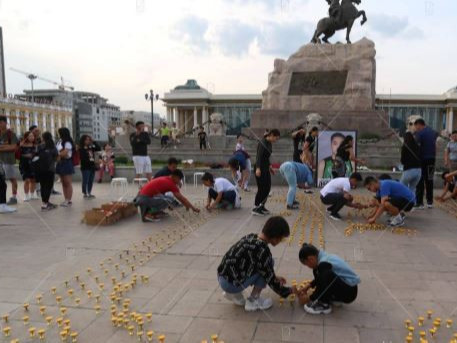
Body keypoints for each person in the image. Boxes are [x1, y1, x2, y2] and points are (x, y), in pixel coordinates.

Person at [217, 216, 297, 311]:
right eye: (281, 239)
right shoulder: (262, 250)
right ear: (275, 236)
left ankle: (233, 294)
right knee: (269, 263)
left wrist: (274, 276)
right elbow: (270, 280)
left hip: (222, 277)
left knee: (265, 265)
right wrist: (289, 291)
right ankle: (253, 301)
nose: (280, 242)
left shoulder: (251, 236)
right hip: (230, 284)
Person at [297, 243, 360, 315]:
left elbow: (325, 278)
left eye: (306, 264)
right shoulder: (323, 257)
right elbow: (321, 277)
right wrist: (309, 285)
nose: (308, 267)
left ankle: (323, 304)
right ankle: (335, 297)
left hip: (349, 292)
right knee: (318, 270)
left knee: (323, 273)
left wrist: (309, 298)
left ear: (311, 259)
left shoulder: (323, 264)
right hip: (347, 287)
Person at [133, 170, 200, 222]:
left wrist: (186, 205)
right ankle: (148, 214)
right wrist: (193, 208)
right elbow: (182, 198)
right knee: (168, 201)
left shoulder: (167, 178)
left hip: (140, 197)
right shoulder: (171, 184)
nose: (179, 181)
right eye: (179, 179)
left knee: (169, 198)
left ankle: (155, 212)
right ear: (176, 177)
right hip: (144, 199)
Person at [252, 129, 280, 216]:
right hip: (259, 168)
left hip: (265, 168)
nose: (276, 140)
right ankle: (256, 207)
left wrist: (270, 167)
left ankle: (262, 206)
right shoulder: (263, 142)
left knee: (267, 188)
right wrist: (258, 168)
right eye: (276, 138)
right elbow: (259, 157)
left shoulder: (269, 143)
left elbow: (266, 158)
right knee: (262, 189)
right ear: (271, 135)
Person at [414, 118, 438, 209]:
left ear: (419, 125)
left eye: (416, 127)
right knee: (430, 180)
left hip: (422, 160)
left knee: (420, 180)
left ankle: (419, 202)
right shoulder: (433, 132)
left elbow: (416, 145)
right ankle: (430, 202)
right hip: (432, 159)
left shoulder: (420, 133)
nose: (416, 128)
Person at [34, 132, 58, 211]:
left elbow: (35, 155)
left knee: (43, 186)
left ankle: (45, 202)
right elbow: (56, 157)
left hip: (40, 169)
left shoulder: (40, 146)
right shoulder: (53, 146)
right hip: (50, 169)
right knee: (48, 187)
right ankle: (45, 204)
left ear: (43, 138)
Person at [0, 116, 19, 205]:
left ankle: (14, 197)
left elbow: (14, 147)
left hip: (8, 160)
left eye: (1, 122)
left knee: (12, 179)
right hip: (1, 161)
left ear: (5, 123)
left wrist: (2, 148)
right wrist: (5, 147)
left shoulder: (10, 134)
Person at [55, 127, 75, 207]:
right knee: (63, 182)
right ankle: (66, 199)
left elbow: (65, 153)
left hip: (66, 162)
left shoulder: (67, 142)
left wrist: (58, 155)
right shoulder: (59, 141)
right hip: (60, 162)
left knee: (67, 182)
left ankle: (69, 199)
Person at [19, 131, 38, 201]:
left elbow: (36, 154)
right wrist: (20, 145)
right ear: (26, 137)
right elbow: (18, 154)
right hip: (24, 164)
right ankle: (26, 195)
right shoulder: (22, 144)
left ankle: (32, 194)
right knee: (26, 180)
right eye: (30, 136)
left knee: (33, 180)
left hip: (33, 164)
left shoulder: (35, 145)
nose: (32, 137)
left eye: (32, 136)